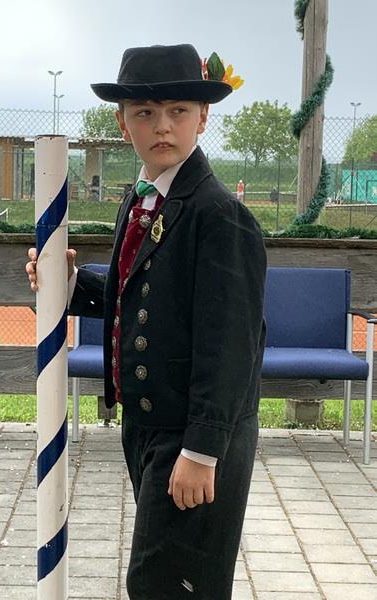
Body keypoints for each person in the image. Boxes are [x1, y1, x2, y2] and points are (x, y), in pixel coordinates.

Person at [27, 44, 267, 600]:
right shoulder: (144, 200)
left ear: (202, 117)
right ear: (122, 122)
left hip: (193, 435)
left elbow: (232, 346)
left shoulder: (219, 215)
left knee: (168, 583)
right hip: (148, 428)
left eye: (178, 111)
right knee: (169, 581)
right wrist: (67, 282)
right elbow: (137, 296)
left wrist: (202, 450)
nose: (162, 126)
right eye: (145, 112)